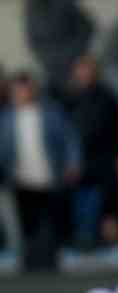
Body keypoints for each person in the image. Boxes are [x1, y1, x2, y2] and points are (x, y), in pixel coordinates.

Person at [0, 72, 82, 270]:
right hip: (20, 179)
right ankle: (29, 261)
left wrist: (72, 163)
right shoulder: (6, 118)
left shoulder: (50, 113)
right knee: (27, 223)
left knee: (50, 221)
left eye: (25, 89)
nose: (22, 94)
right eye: (18, 90)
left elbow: (69, 139)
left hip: (48, 176)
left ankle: (50, 260)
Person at [62, 54, 118, 246]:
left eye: (89, 69)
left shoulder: (107, 98)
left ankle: (92, 240)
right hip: (75, 164)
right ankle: (80, 240)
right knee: (77, 207)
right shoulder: (68, 98)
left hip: (102, 164)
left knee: (98, 207)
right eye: (82, 69)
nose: (85, 74)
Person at [21, 0, 95, 93]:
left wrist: (75, 56)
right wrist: (47, 59)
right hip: (48, 65)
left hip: (73, 61)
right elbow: (33, 40)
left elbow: (86, 28)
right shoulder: (30, 6)